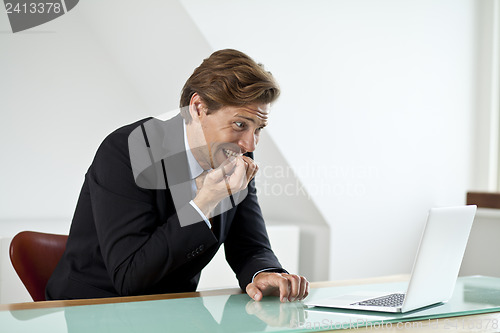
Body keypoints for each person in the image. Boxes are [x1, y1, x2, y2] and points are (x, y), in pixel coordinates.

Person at [46, 49, 309, 303]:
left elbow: (250, 245)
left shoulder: (236, 158)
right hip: (95, 309)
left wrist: (264, 274)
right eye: (239, 124)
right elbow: (130, 278)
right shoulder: (127, 150)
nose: (250, 144)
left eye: (258, 128)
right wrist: (204, 202)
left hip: (175, 310)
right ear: (197, 107)